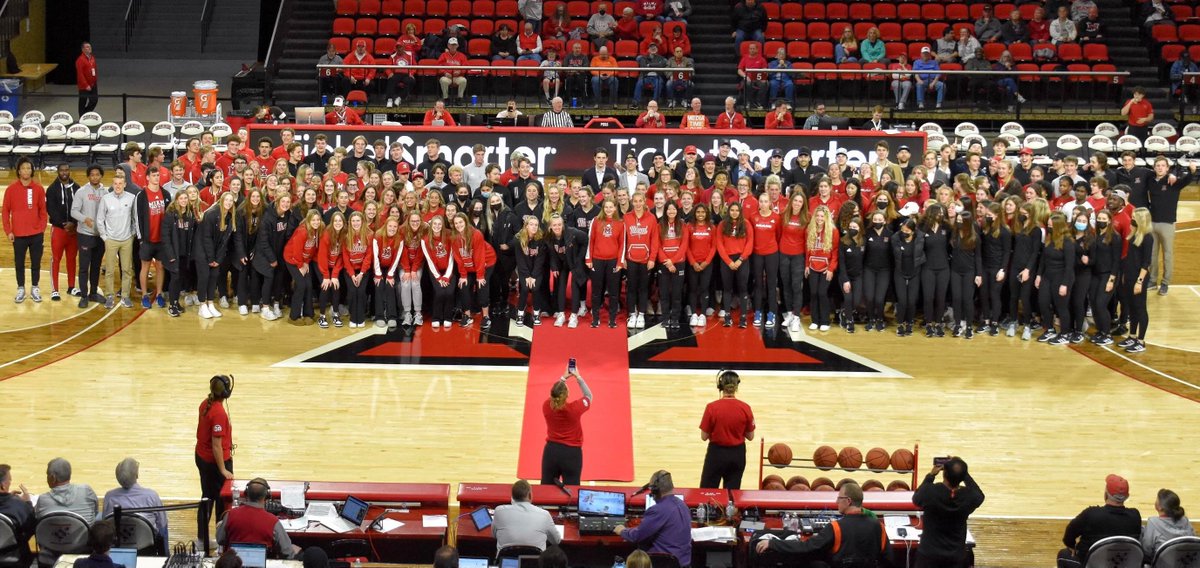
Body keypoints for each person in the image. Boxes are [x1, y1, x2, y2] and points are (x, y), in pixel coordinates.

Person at [755, 481, 885, 566]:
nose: (836, 502)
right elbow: (889, 559)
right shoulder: (878, 526)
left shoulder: (836, 527)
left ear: (848, 501)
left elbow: (806, 547)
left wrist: (773, 543)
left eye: (839, 498)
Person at [913, 457, 984, 568]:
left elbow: (916, 498)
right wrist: (963, 473)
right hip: (956, 557)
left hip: (929, 556)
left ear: (944, 473)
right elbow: (979, 495)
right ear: (963, 477)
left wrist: (930, 476)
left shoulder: (930, 491)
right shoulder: (969, 496)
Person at [1057, 475, 1141, 568]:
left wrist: (1072, 546)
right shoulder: (1135, 516)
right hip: (1124, 564)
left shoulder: (1091, 514)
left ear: (1106, 494)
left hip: (1091, 565)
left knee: (1063, 554)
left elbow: (1069, 535)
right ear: (1127, 496)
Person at [615, 471, 691, 568]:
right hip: (683, 564)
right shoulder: (683, 505)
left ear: (655, 491)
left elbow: (637, 536)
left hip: (663, 563)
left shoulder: (657, 510)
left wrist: (622, 530)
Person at [217, 478, 301, 558]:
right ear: (266, 496)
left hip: (234, 564)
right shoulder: (273, 521)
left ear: (246, 493)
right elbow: (287, 552)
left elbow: (220, 540)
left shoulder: (230, 515)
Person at [698, 370, 754, 489]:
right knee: (731, 496)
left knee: (707, 493)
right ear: (736, 387)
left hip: (717, 453)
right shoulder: (745, 408)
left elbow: (704, 437)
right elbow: (750, 436)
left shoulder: (712, 408)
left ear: (720, 386)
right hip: (737, 454)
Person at [3, 157, 48, 303]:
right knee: (19, 263)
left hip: (36, 235)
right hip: (18, 235)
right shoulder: (11, 189)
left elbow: (43, 211)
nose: (26, 171)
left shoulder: (39, 189)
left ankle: (35, 287)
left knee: (36, 263)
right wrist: (8, 231)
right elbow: (5, 212)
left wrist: (41, 228)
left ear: (32, 170)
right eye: (23, 168)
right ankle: (20, 288)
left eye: (29, 168)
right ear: (18, 171)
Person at [1146, 157, 1193, 295]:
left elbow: (1187, 180)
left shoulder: (1173, 182)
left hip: (1167, 224)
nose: (1160, 168)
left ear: (1167, 168)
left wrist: (1192, 171)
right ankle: (1153, 281)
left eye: (1163, 166)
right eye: (1157, 165)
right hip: (1152, 223)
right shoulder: (1150, 180)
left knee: (1167, 255)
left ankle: (1165, 283)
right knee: (1152, 255)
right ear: (1154, 168)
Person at [196, 374, 234, 534]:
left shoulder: (205, 404)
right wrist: (223, 470)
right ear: (226, 392)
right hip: (215, 463)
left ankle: (202, 538)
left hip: (202, 457)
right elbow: (216, 445)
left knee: (207, 497)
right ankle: (220, 539)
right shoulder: (218, 413)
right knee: (221, 500)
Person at [541, 365, 592, 485]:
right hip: (571, 454)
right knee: (572, 493)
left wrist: (563, 378)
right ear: (567, 395)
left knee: (545, 491)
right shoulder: (574, 409)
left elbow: (554, 394)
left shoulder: (546, 406)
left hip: (551, 452)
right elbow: (589, 396)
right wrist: (578, 377)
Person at [95, 171, 136, 309]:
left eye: (120, 184)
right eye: (115, 184)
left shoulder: (131, 198)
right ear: (112, 185)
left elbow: (135, 218)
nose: (118, 186)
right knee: (110, 271)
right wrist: (105, 237)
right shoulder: (106, 199)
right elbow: (100, 220)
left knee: (127, 270)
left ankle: (125, 296)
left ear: (125, 184)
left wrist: (132, 234)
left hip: (126, 240)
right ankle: (110, 296)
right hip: (111, 240)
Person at [102, 458, 168, 543]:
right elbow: (162, 525)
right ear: (136, 475)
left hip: (117, 545)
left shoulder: (109, 497)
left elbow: (105, 523)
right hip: (147, 547)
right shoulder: (152, 496)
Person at [1119, 208, 1154, 353]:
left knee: (1140, 308)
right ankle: (1132, 336)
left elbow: (1146, 263)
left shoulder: (1148, 237)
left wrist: (1139, 281)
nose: (1131, 219)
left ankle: (1141, 341)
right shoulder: (1135, 235)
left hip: (1138, 278)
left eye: (1134, 217)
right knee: (1131, 307)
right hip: (1129, 276)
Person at [492, 480, 561, 552]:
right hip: (535, 562)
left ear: (512, 497)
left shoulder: (499, 511)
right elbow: (556, 541)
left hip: (505, 562)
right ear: (530, 495)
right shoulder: (545, 515)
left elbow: (494, 535)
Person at [35, 457, 98, 522]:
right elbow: (95, 512)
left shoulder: (43, 500)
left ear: (53, 478)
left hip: (52, 531)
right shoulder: (86, 490)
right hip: (85, 532)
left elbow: (39, 521)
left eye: (47, 475)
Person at [1142, 488, 1194, 558]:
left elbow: (1146, 550)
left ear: (1160, 507)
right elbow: (1193, 545)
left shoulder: (1152, 523)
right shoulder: (1185, 521)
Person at [0, 464, 35, 564]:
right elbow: (32, 528)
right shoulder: (18, 505)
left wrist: (7, 496)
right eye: (9, 480)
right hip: (14, 556)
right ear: (2, 485)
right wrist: (27, 502)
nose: (10, 483)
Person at [632, 43, 667, 108]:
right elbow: (643, 67)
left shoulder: (661, 58)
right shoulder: (643, 58)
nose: (653, 49)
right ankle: (635, 103)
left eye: (654, 47)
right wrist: (656, 65)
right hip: (646, 76)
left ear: (657, 49)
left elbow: (661, 66)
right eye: (651, 48)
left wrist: (649, 65)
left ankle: (654, 103)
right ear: (648, 50)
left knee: (659, 83)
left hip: (657, 76)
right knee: (639, 84)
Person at [438, 38, 469, 104]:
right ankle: (446, 98)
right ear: (448, 45)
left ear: (457, 45)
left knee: (463, 81)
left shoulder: (462, 56)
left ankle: (459, 98)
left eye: (454, 45)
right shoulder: (443, 55)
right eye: (451, 45)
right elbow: (439, 67)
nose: (453, 46)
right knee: (443, 80)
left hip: (458, 76)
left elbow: (465, 67)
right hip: (447, 76)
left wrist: (460, 71)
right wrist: (445, 73)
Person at [738, 43, 768, 109]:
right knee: (747, 83)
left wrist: (763, 75)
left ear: (757, 50)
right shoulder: (745, 58)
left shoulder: (761, 59)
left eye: (753, 49)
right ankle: (748, 102)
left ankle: (758, 102)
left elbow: (765, 70)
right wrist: (745, 76)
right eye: (750, 49)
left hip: (758, 77)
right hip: (748, 77)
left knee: (764, 83)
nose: (752, 50)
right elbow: (739, 70)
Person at [76, 42, 98, 115]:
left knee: (94, 100)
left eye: (90, 46)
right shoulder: (80, 60)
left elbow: (94, 69)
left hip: (93, 84)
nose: (89, 48)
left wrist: (95, 80)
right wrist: (86, 85)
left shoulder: (92, 58)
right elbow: (80, 74)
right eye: (87, 47)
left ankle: (86, 114)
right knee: (83, 101)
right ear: (83, 49)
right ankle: (82, 116)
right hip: (84, 85)